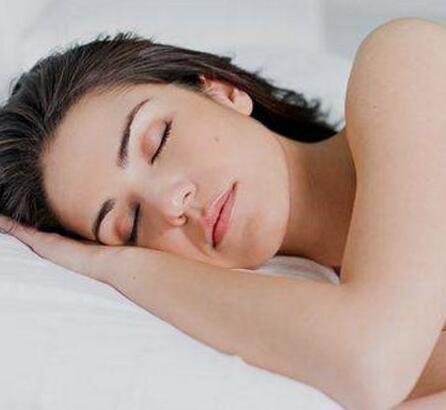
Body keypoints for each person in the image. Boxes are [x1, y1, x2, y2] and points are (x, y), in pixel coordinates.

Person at [0, 17, 445, 409]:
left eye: (158, 141)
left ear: (223, 91)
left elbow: (369, 361)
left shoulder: (405, 64)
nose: (170, 204)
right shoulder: (318, 331)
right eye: (129, 225)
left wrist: (113, 264)